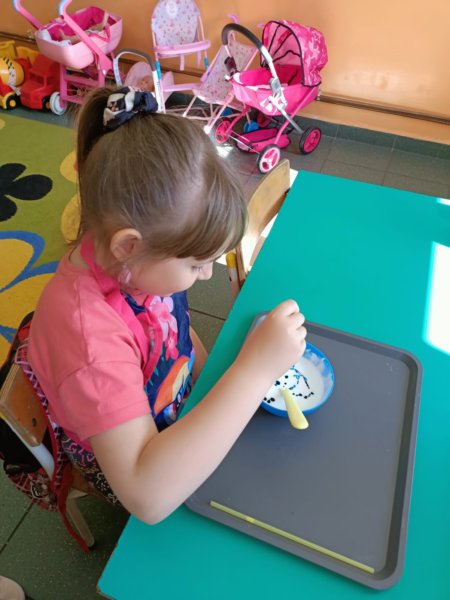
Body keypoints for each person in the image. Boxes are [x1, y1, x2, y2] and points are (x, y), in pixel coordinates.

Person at [27, 86, 307, 524]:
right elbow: (147, 496)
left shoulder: (139, 263)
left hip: (161, 402)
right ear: (129, 246)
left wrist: (216, 383)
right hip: (119, 461)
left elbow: (174, 332)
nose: (207, 275)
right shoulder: (90, 343)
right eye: (197, 265)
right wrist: (252, 373)